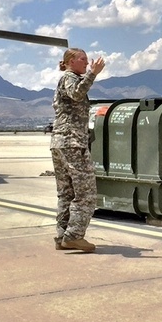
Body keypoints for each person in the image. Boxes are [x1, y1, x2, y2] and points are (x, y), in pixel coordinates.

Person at [51, 48, 106, 252]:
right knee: (86, 193)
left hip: (61, 143)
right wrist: (93, 74)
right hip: (72, 143)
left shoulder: (68, 78)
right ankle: (74, 235)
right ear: (70, 61)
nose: (87, 62)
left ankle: (62, 235)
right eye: (83, 59)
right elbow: (76, 94)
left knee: (66, 192)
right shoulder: (70, 78)